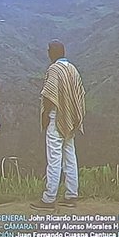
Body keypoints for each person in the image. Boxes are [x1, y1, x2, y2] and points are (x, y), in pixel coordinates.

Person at [31, 40, 85, 210]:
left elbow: (48, 94)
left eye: (49, 51)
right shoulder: (72, 69)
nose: (48, 53)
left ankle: (49, 198)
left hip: (57, 117)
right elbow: (80, 94)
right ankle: (71, 194)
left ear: (53, 52)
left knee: (54, 158)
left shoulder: (54, 69)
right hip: (70, 118)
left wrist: (46, 115)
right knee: (70, 155)